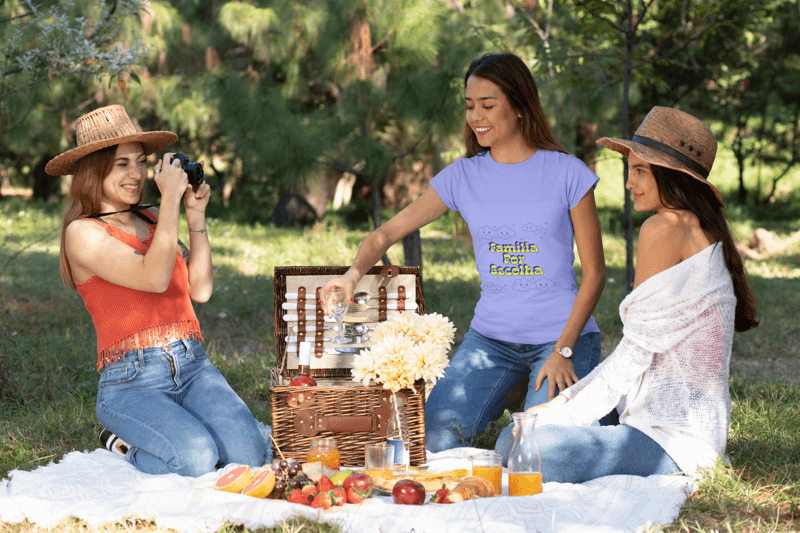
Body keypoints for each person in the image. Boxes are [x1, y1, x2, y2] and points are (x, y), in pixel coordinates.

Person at [321, 53, 606, 452]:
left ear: (520, 107)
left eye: (488, 105)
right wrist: (352, 275)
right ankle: (526, 393)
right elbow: (386, 232)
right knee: (434, 441)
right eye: (470, 106)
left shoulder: (567, 172)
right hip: (491, 341)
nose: (476, 116)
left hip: (561, 339)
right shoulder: (462, 176)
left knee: (528, 451)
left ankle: (594, 403)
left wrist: (564, 350)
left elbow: (595, 275)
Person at [495, 106, 759, 481]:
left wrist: (559, 414)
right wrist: (564, 404)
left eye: (640, 171)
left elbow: (635, 353)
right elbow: (640, 350)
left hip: (673, 439)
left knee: (521, 446)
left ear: (671, 176)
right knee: (519, 437)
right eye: (629, 170)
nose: (628, 183)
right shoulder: (700, 228)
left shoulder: (663, 229)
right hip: (665, 415)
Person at [47, 105, 269, 477]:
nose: (136, 174)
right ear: (93, 169)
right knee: (197, 459)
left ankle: (174, 433)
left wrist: (195, 217)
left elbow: (201, 290)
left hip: (192, 364)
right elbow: (153, 278)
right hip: (132, 382)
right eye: (121, 164)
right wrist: (170, 201)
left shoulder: (152, 219)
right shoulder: (82, 233)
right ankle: (124, 445)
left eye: (141, 162)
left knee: (249, 456)